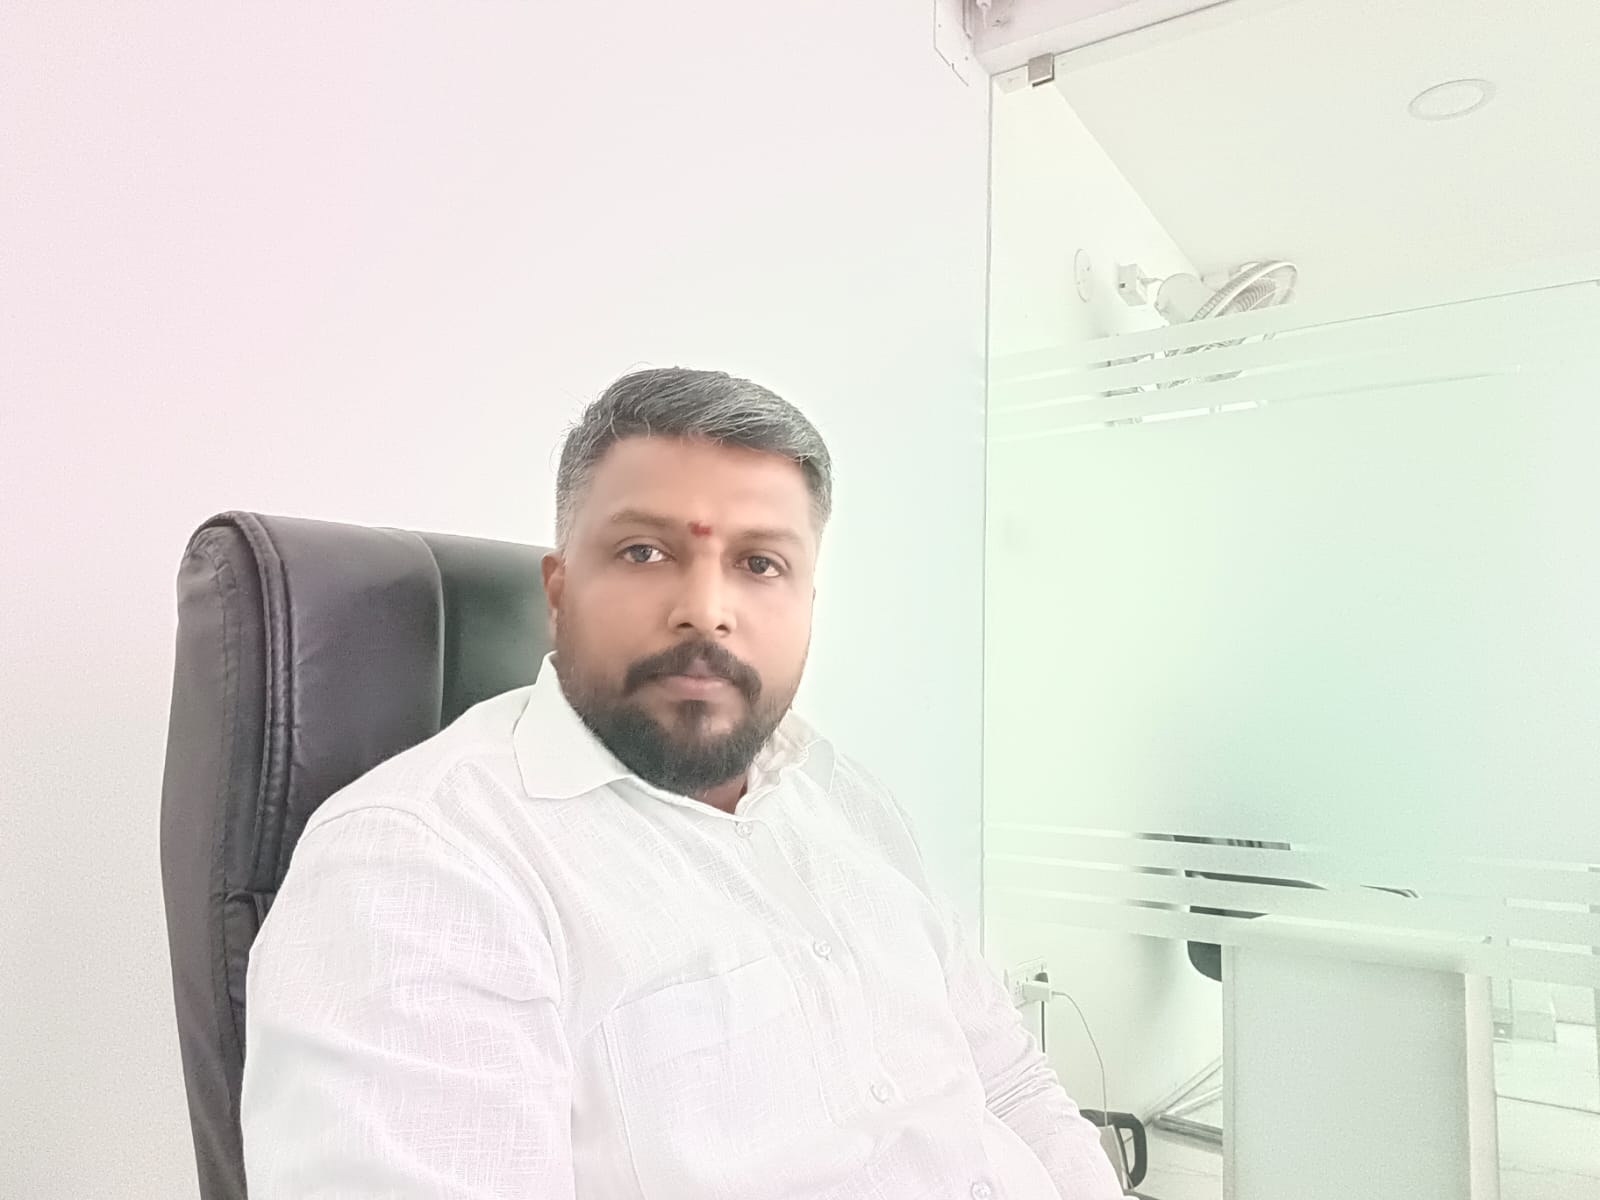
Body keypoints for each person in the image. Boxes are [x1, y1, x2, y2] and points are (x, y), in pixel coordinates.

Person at [241, 368, 1123, 1199]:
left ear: (809, 606)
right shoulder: (422, 870)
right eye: (644, 551)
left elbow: (1009, 1082)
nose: (705, 609)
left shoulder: (840, 794)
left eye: (761, 564)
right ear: (559, 591)